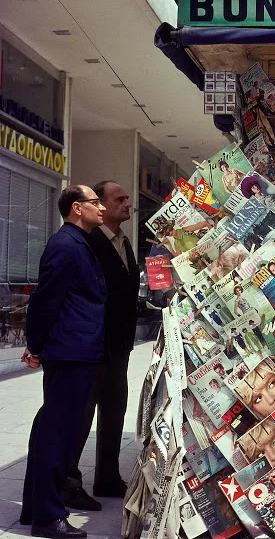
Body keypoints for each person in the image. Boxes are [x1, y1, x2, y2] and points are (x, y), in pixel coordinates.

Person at [20, 185, 108, 539]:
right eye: (94, 202)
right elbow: (45, 299)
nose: (100, 208)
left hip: (78, 350)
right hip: (70, 352)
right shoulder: (65, 245)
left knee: (50, 431)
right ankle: (47, 517)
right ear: (76, 208)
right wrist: (35, 344)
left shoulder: (78, 242)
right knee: (57, 436)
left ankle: (36, 507)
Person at [62, 181, 140, 511]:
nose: (128, 203)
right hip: (93, 345)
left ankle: (107, 477)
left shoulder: (124, 241)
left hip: (119, 345)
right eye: (119, 199)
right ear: (102, 206)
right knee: (81, 416)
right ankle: (68, 483)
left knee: (114, 411)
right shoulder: (87, 242)